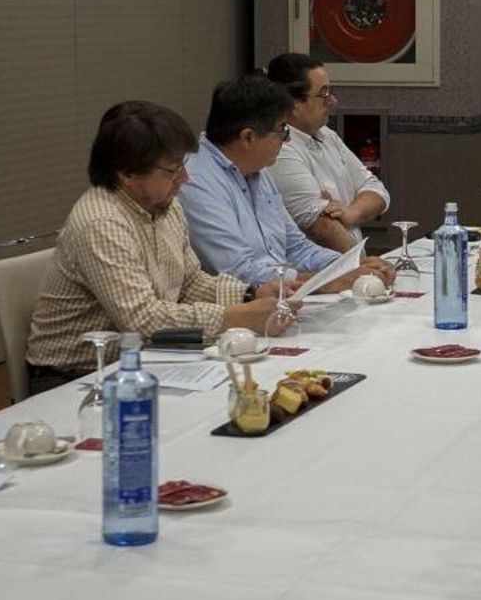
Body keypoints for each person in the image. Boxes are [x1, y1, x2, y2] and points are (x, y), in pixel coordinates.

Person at [25, 101, 288, 393]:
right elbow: (142, 319)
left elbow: (189, 282)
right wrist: (237, 317)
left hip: (146, 359)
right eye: (172, 171)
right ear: (126, 173)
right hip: (76, 378)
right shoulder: (102, 223)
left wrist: (251, 292)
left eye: (183, 166)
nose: (185, 180)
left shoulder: (164, 205)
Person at [177, 74, 395, 290]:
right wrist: (324, 281)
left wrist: (346, 266)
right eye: (282, 129)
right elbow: (236, 272)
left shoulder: (256, 171)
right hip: (240, 312)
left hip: (284, 298)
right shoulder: (196, 181)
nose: (288, 139)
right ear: (248, 138)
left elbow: (295, 246)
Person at [265, 53, 391, 253]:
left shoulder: (327, 135)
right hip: (321, 273)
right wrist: (364, 267)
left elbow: (378, 191)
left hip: (351, 265)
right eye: (323, 94)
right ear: (293, 103)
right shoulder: (280, 150)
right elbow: (323, 227)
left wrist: (349, 213)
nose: (332, 101)